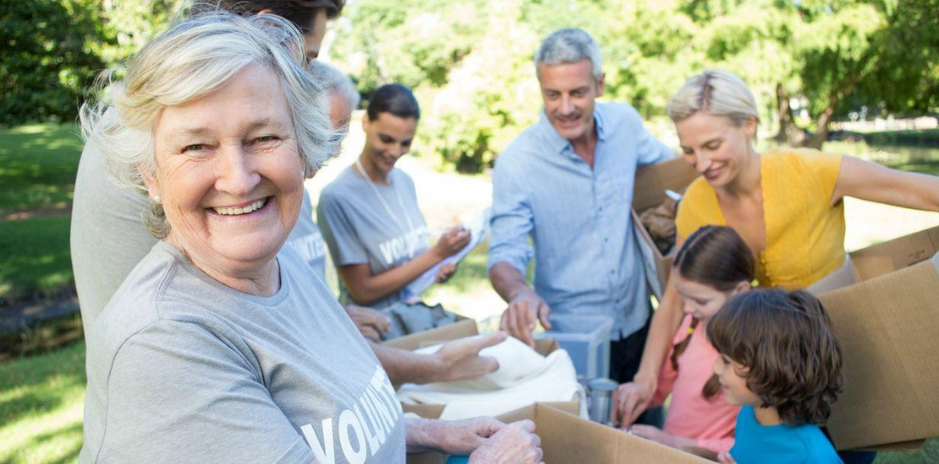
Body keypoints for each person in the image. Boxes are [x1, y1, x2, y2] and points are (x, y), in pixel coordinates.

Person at [79, 12, 543, 463]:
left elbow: (333, 430)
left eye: (263, 137)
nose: (238, 179)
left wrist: (426, 431)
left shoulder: (280, 266)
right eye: (196, 146)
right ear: (151, 176)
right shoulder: (163, 345)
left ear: (303, 150)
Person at [618, 69, 939, 426]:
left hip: (836, 355)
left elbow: (920, 191)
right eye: (688, 151)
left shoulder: (810, 171)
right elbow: (677, 296)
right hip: (765, 378)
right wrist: (646, 379)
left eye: (712, 146)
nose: (702, 163)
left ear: (750, 125)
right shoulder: (695, 202)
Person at [488, 28, 674, 386]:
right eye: (552, 95)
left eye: (578, 93)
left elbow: (674, 175)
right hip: (573, 339)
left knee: (649, 433)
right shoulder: (517, 162)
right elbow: (504, 254)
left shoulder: (625, 124)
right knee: (588, 438)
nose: (566, 107)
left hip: (640, 324)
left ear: (600, 84)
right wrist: (519, 292)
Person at [318, 83, 471, 309]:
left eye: (405, 143)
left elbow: (410, 263)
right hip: (374, 330)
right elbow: (362, 291)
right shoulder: (338, 197)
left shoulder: (404, 181)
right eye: (386, 139)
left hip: (412, 315)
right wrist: (437, 254)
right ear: (366, 123)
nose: (395, 152)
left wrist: (436, 269)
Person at [616, 226, 753, 459]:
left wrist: (673, 442)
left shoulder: (752, 359)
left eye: (700, 300)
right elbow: (659, 389)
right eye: (683, 296)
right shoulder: (691, 327)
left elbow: (750, 447)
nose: (687, 308)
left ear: (740, 291)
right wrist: (627, 397)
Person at [707, 289, 844, 464]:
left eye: (726, 361)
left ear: (770, 369)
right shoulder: (748, 415)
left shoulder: (814, 457)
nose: (715, 368)